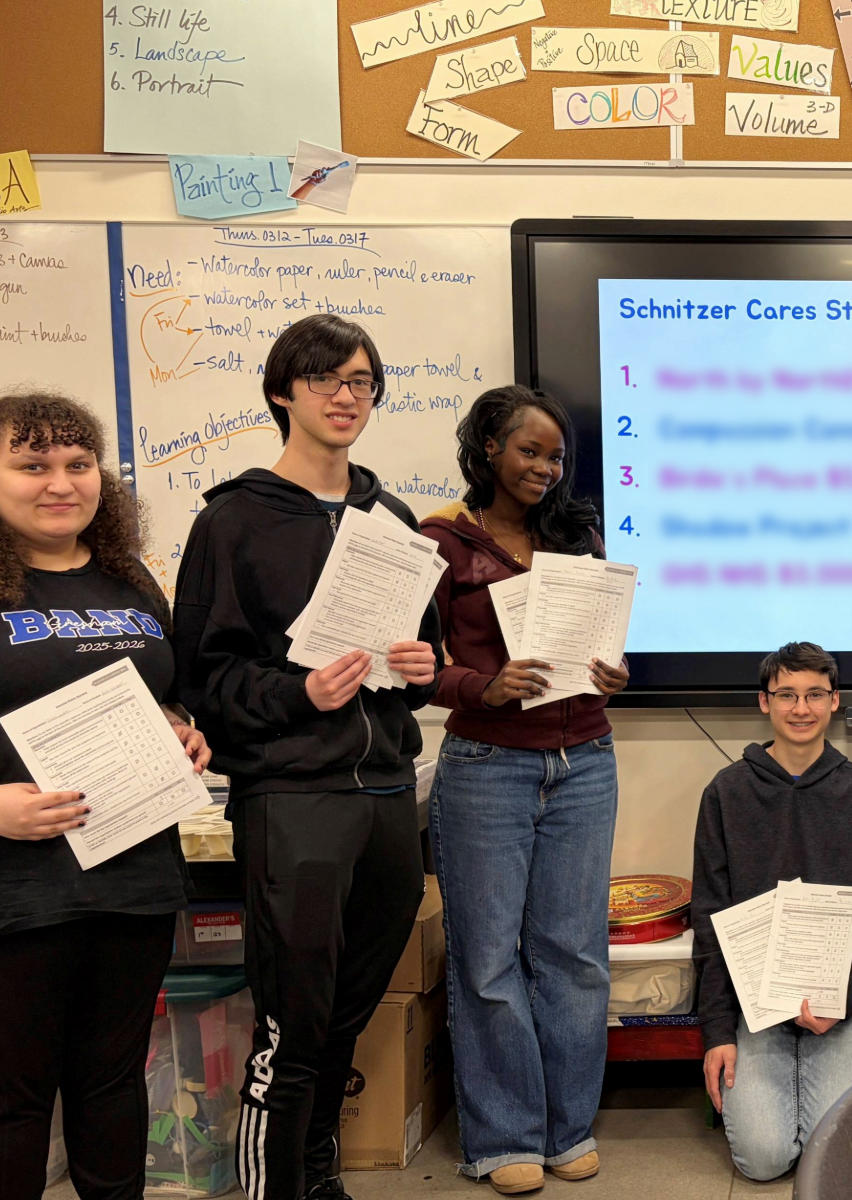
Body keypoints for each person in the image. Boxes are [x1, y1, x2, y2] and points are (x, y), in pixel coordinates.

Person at [173, 314, 442, 1200]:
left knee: (341, 1025)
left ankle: (320, 1182)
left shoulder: (392, 515)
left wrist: (417, 670)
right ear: (283, 391)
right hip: (294, 799)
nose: (344, 396)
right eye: (325, 379)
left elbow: (420, 662)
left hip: (386, 794)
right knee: (290, 1029)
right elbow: (205, 682)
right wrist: (299, 694)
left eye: (361, 381)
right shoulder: (234, 521)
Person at [0, 392, 211, 1200]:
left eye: (78, 464)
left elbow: (168, 695)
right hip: (18, 890)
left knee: (112, 1081)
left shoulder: (129, 583)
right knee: (15, 1101)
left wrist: (181, 729)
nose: (61, 482)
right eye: (32, 465)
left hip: (131, 874)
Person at [420, 386, 629, 1195]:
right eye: (529, 451)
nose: (545, 467)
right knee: (487, 958)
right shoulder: (439, 541)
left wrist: (616, 673)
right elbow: (405, 669)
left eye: (556, 455)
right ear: (487, 452)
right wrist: (482, 686)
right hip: (485, 768)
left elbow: (604, 651)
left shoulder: (577, 540)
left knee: (574, 955)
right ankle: (504, 1136)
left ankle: (568, 1128)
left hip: (586, 760)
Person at [691, 642, 852, 1182]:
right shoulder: (726, 793)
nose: (800, 708)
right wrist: (717, 1033)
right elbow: (710, 918)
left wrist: (843, 998)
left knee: (840, 1161)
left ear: (835, 702)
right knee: (762, 1160)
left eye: (814, 695)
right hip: (756, 1009)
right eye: (786, 695)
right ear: (764, 703)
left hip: (837, 1006)